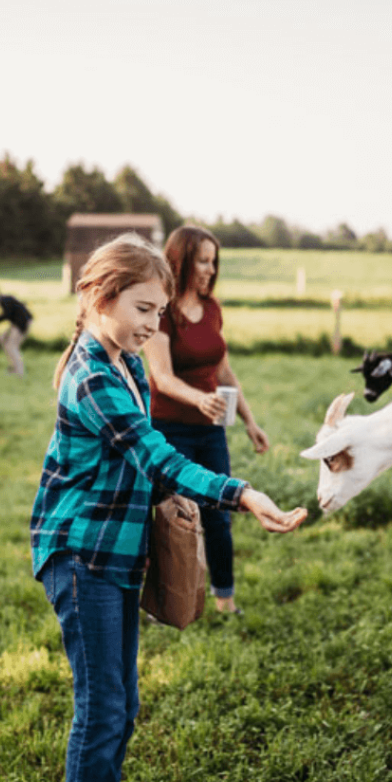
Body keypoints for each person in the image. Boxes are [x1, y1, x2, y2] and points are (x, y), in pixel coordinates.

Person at [30, 233, 305, 782]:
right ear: (102, 296)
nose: (156, 325)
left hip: (115, 550)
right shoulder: (95, 372)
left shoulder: (117, 355)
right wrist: (239, 493)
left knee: (119, 706)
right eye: (144, 310)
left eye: (159, 311)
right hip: (82, 554)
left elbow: (147, 462)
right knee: (102, 708)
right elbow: (155, 455)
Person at [145, 224, 267, 615]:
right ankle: (159, 599)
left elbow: (225, 373)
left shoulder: (212, 309)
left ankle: (225, 599)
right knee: (170, 516)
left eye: (214, 262)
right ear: (181, 261)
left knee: (218, 512)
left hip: (210, 430)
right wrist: (199, 400)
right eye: (203, 261)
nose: (210, 270)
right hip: (168, 428)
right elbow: (161, 378)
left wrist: (250, 421)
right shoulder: (160, 311)